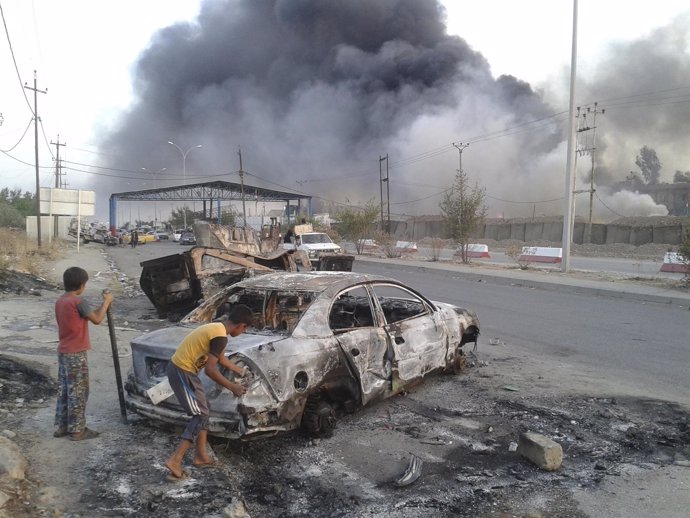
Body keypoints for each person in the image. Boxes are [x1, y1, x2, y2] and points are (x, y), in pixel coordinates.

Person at [164, 304, 252, 481]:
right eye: (245, 329)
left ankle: (201, 456)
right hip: (182, 371)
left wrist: (240, 370)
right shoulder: (220, 337)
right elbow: (210, 370)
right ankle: (175, 459)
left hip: (185, 371)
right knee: (200, 414)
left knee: (205, 409)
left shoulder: (217, 329)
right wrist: (232, 386)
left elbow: (221, 359)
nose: (243, 332)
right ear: (241, 325)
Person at [54, 267, 113, 441]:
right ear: (81, 285)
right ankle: (78, 430)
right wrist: (106, 302)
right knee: (79, 391)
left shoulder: (61, 301)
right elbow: (97, 319)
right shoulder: (78, 302)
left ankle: (61, 426)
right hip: (76, 353)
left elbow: (87, 315)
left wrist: (101, 306)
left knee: (65, 390)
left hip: (64, 351)